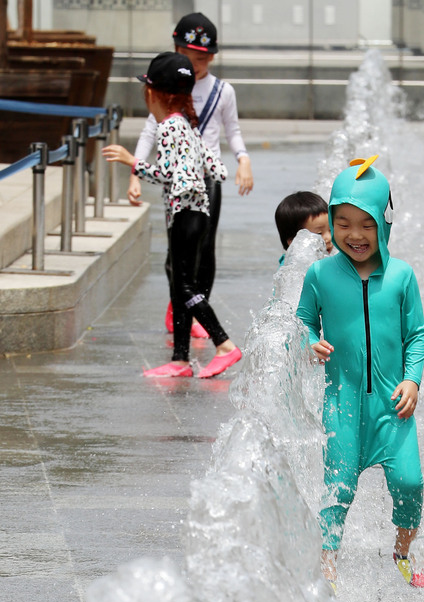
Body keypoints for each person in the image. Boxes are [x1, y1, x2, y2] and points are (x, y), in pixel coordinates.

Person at [296, 156, 424, 590]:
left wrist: (412, 380)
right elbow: (299, 322)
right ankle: (328, 566)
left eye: (367, 224)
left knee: (410, 483)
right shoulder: (320, 275)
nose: (355, 235)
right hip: (342, 401)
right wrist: (307, 343)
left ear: (385, 223)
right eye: (343, 222)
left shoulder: (401, 276)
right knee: (337, 487)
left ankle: (403, 552)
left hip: (394, 405)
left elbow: (417, 335)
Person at [103, 52, 238, 380]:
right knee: (181, 286)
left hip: (186, 215)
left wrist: (130, 162)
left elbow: (166, 173)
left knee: (185, 286)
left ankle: (224, 343)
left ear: (152, 94)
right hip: (197, 214)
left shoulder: (170, 127)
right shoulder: (189, 126)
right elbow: (215, 168)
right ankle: (180, 359)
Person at [129, 11, 251, 365]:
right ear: (177, 48)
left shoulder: (221, 91)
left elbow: (233, 131)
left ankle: (197, 311)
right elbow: (149, 131)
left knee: (204, 250)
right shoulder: (172, 85)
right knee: (178, 259)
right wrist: (135, 172)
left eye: (203, 58)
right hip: (178, 180)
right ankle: (183, 303)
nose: (197, 64)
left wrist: (242, 159)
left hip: (205, 180)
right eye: (191, 56)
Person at [275, 191, 332, 263]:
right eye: (319, 233)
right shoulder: (293, 267)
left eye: (331, 230)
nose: (329, 238)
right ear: (293, 242)